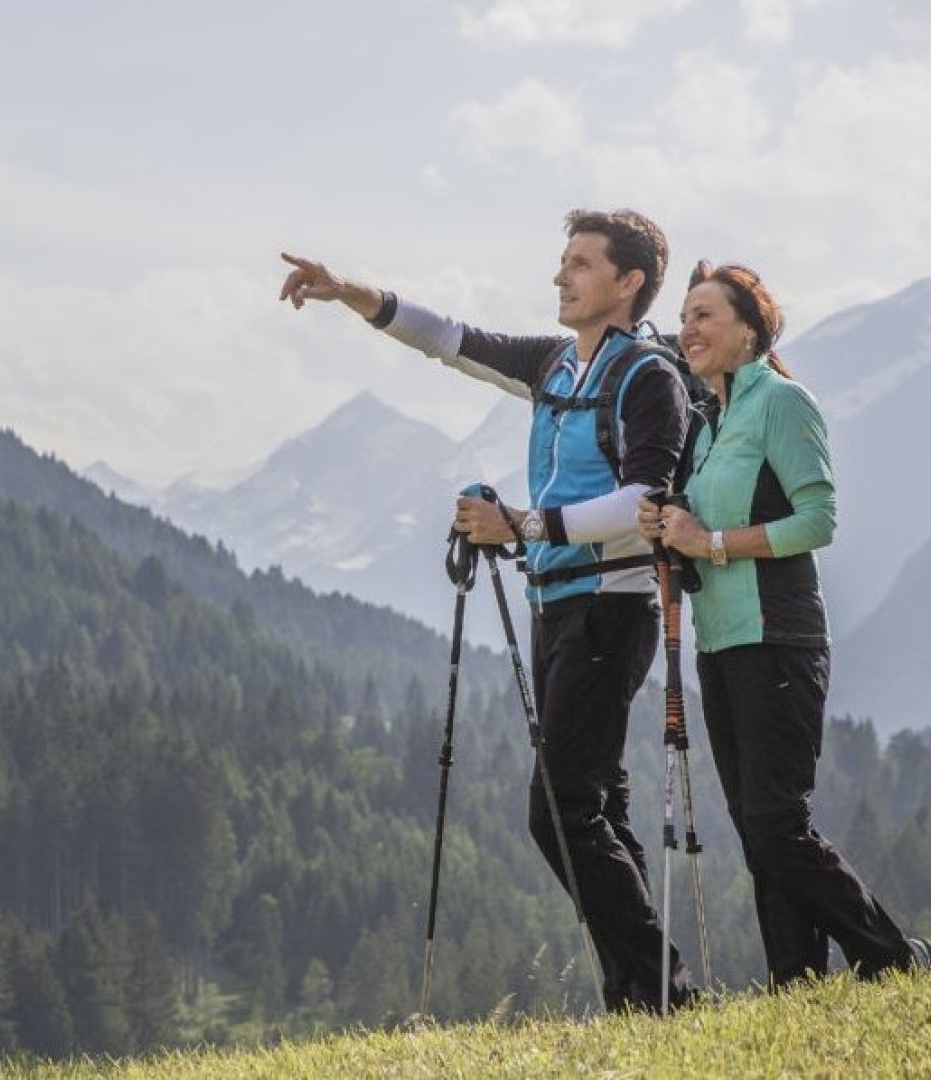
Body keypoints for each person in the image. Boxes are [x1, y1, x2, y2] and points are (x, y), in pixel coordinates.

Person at [278, 209, 695, 1013]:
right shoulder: (554, 365)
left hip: (613, 605)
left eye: (579, 262)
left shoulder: (650, 378)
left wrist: (526, 527)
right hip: (556, 602)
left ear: (629, 282)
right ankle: (642, 996)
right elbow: (450, 338)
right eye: (562, 260)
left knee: (558, 812)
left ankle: (664, 985)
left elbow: (648, 497)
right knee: (597, 804)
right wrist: (346, 292)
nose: (559, 276)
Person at [638, 261, 931, 988]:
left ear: (751, 330)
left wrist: (707, 542)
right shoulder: (708, 421)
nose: (689, 329)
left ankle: (895, 957)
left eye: (706, 315)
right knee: (758, 830)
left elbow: (818, 520)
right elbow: (701, 523)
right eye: (685, 316)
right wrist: (669, 527)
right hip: (721, 641)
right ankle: (796, 982)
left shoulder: (782, 402)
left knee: (778, 823)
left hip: (780, 639)